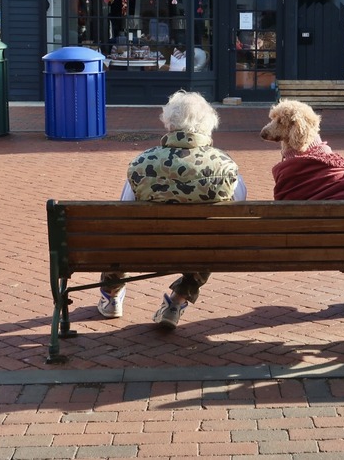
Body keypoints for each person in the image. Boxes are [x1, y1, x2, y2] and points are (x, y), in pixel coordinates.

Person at [97, 90, 241, 329]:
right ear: (209, 123)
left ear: (168, 122)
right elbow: (235, 210)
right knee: (214, 236)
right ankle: (177, 300)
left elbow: (124, 211)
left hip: (146, 248)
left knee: (118, 232)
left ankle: (111, 296)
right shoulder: (226, 166)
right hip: (200, 251)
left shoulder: (142, 163)